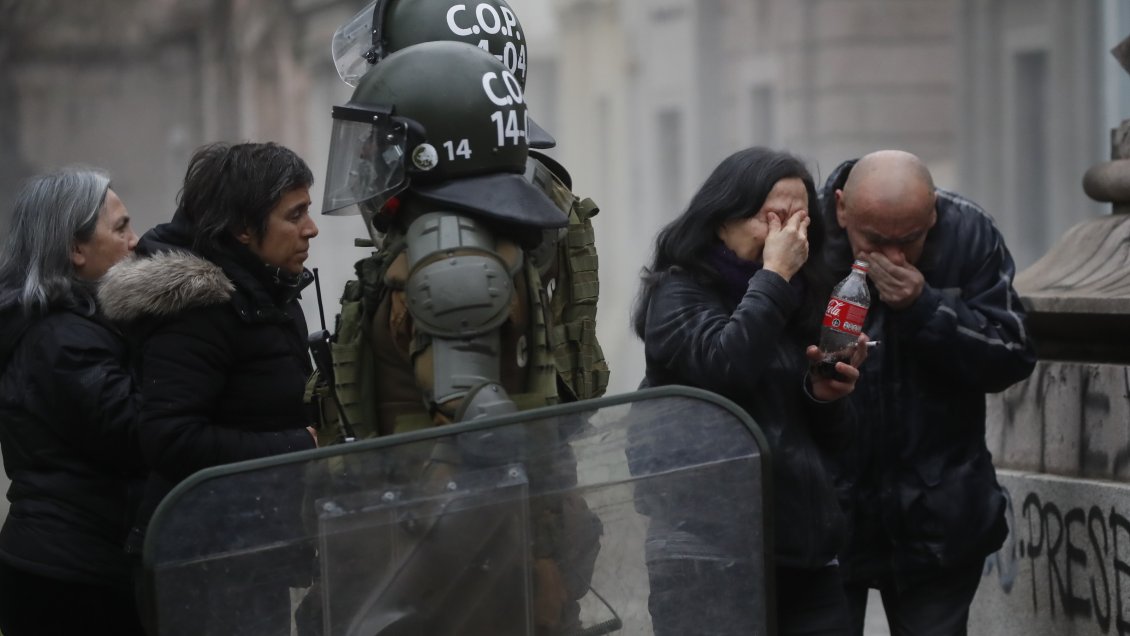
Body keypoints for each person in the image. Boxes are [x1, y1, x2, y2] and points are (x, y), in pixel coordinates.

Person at [314, 40, 601, 635]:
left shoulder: (453, 257)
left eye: (380, 142)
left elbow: (481, 452)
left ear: (429, 149)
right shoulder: (466, 240)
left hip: (450, 585)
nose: (367, 158)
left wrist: (395, 604)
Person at [631, 147, 867, 636]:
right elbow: (725, 368)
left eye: (801, 220)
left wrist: (824, 395)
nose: (789, 235)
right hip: (706, 556)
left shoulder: (801, 299)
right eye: (772, 218)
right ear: (721, 221)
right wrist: (774, 275)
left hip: (802, 554)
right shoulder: (678, 292)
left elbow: (833, 443)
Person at [97, 141, 321, 635]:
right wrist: (299, 446)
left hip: (246, 546)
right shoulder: (198, 311)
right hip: (201, 561)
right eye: (295, 214)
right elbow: (170, 437)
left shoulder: (266, 287)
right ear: (243, 229)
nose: (312, 228)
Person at [818, 149, 1037, 636]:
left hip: (940, 520)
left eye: (910, 240)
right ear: (841, 209)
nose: (894, 257)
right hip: (830, 518)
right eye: (875, 240)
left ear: (933, 210)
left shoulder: (969, 234)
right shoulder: (805, 238)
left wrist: (925, 307)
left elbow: (1013, 354)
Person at [0, 168, 145, 635]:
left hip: (70, 565)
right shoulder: (61, 339)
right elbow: (135, 433)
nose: (135, 241)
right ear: (74, 249)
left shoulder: (72, 325)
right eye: (120, 227)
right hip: (70, 578)